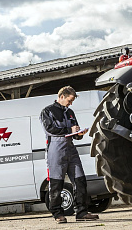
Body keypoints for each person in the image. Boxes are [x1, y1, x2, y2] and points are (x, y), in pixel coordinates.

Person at [40, 86, 99, 223]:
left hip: (71, 150)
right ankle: (57, 214)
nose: (71, 103)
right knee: (56, 184)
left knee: (80, 181)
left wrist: (79, 134)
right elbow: (50, 129)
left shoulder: (70, 112)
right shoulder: (47, 111)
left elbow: (74, 132)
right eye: (70, 100)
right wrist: (69, 129)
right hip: (55, 150)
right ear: (62, 96)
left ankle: (82, 213)